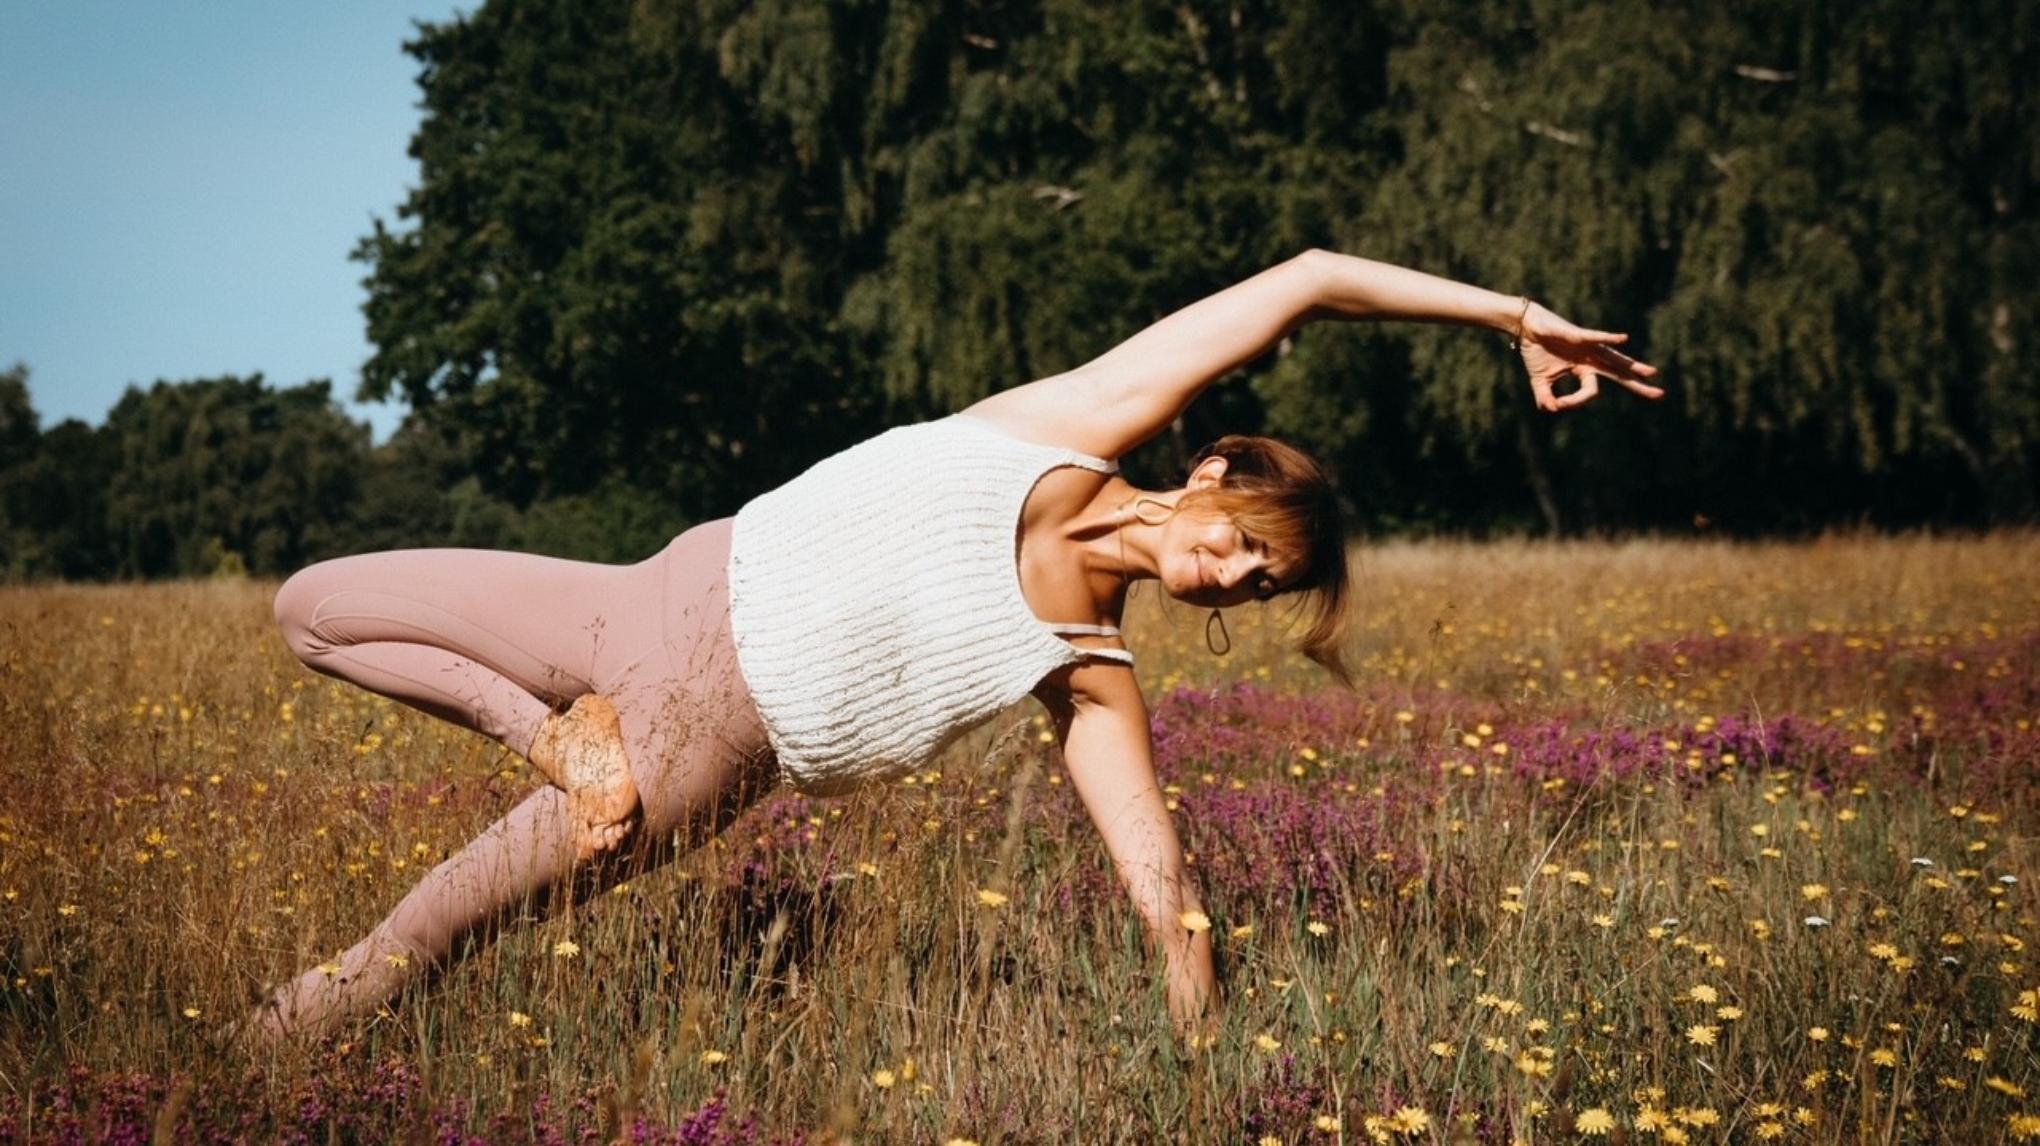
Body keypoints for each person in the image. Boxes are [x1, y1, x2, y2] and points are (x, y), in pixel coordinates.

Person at [253, 249, 1661, 1043]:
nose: (1228, 580)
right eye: (1247, 546)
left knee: (424, 935)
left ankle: (256, 1058)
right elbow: (1303, 278)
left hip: (699, 750)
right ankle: (553, 738)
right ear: (1219, 471)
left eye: (1256, 589)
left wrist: (1207, 1036)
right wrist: (1517, 317)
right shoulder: (1075, 417)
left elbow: (1152, 866)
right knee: (313, 607)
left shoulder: (1082, 659)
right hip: (652, 591)